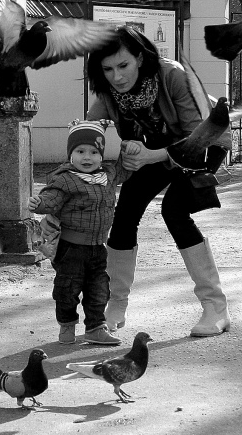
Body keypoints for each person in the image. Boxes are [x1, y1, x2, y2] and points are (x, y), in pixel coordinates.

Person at [59, 26, 231, 337]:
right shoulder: (108, 91)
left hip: (204, 142)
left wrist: (150, 156)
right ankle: (115, 304)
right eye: (107, 69)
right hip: (158, 148)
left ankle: (215, 307)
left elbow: (197, 137)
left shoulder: (172, 75)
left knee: (174, 210)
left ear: (139, 58)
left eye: (123, 65)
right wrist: (64, 189)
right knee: (125, 211)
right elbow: (87, 138)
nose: (116, 77)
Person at [29, 120, 130, 346]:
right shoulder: (66, 179)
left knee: (99, 289)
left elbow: (125, 170)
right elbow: (52, 198)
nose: (87, 157)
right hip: (70, 249)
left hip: (98, 248)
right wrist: (40, 203)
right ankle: (67, 325)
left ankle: (96, 327)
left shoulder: (107, 176)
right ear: (70, 155)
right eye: (80, 151)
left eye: (94, 152)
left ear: (101, 155)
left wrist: (127, 147)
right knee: (67, 289)